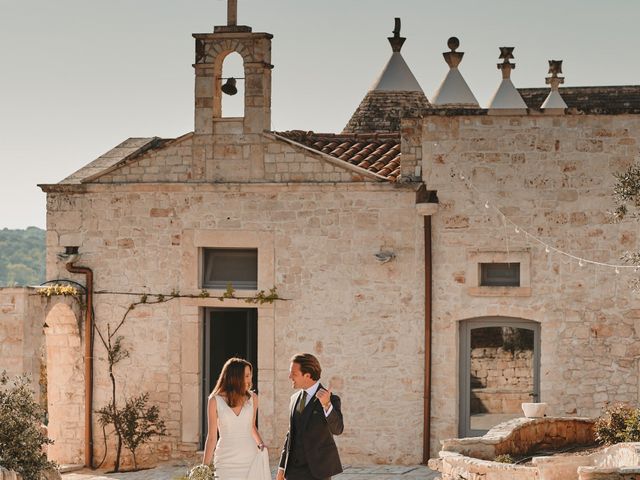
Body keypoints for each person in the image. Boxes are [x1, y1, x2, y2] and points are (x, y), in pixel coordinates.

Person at [277, 353, 344, 480]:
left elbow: (338, 429)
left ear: (307, 375)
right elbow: (290, 435)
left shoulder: (331, 399)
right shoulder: (294, 399)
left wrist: (326, 405)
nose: (289, 376)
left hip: (318, 471)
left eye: (294, 374)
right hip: (293, 471)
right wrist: (282, 467)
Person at [202, 357, 270, 480]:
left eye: (250, 375)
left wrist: (261, 444)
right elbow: (212, 437)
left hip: (249, 457)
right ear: (235, 377)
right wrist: (204, 468)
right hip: (224, 459)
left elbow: (252, 426)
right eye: (247, 376)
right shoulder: (214, 400)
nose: (250, 379)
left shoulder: (253, 398)